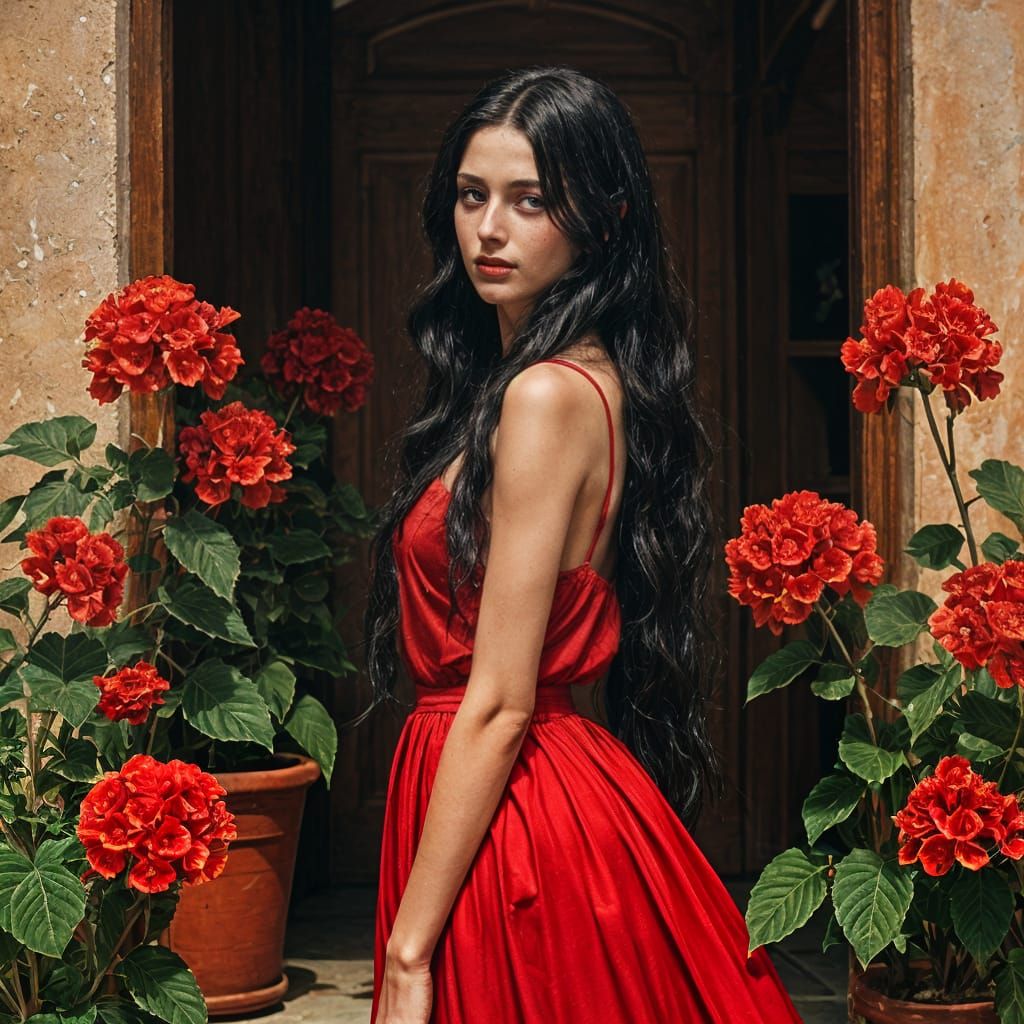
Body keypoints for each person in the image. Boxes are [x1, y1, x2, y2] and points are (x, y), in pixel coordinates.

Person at [363, 65, 802, 1024]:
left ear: (598, 221)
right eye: (472, 196)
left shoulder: (545, 394)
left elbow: (501, 699)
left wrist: (404, 951)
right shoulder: (560, 380)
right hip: (512, 789)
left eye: (530, 202)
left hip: (514, 803)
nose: (488, 229)